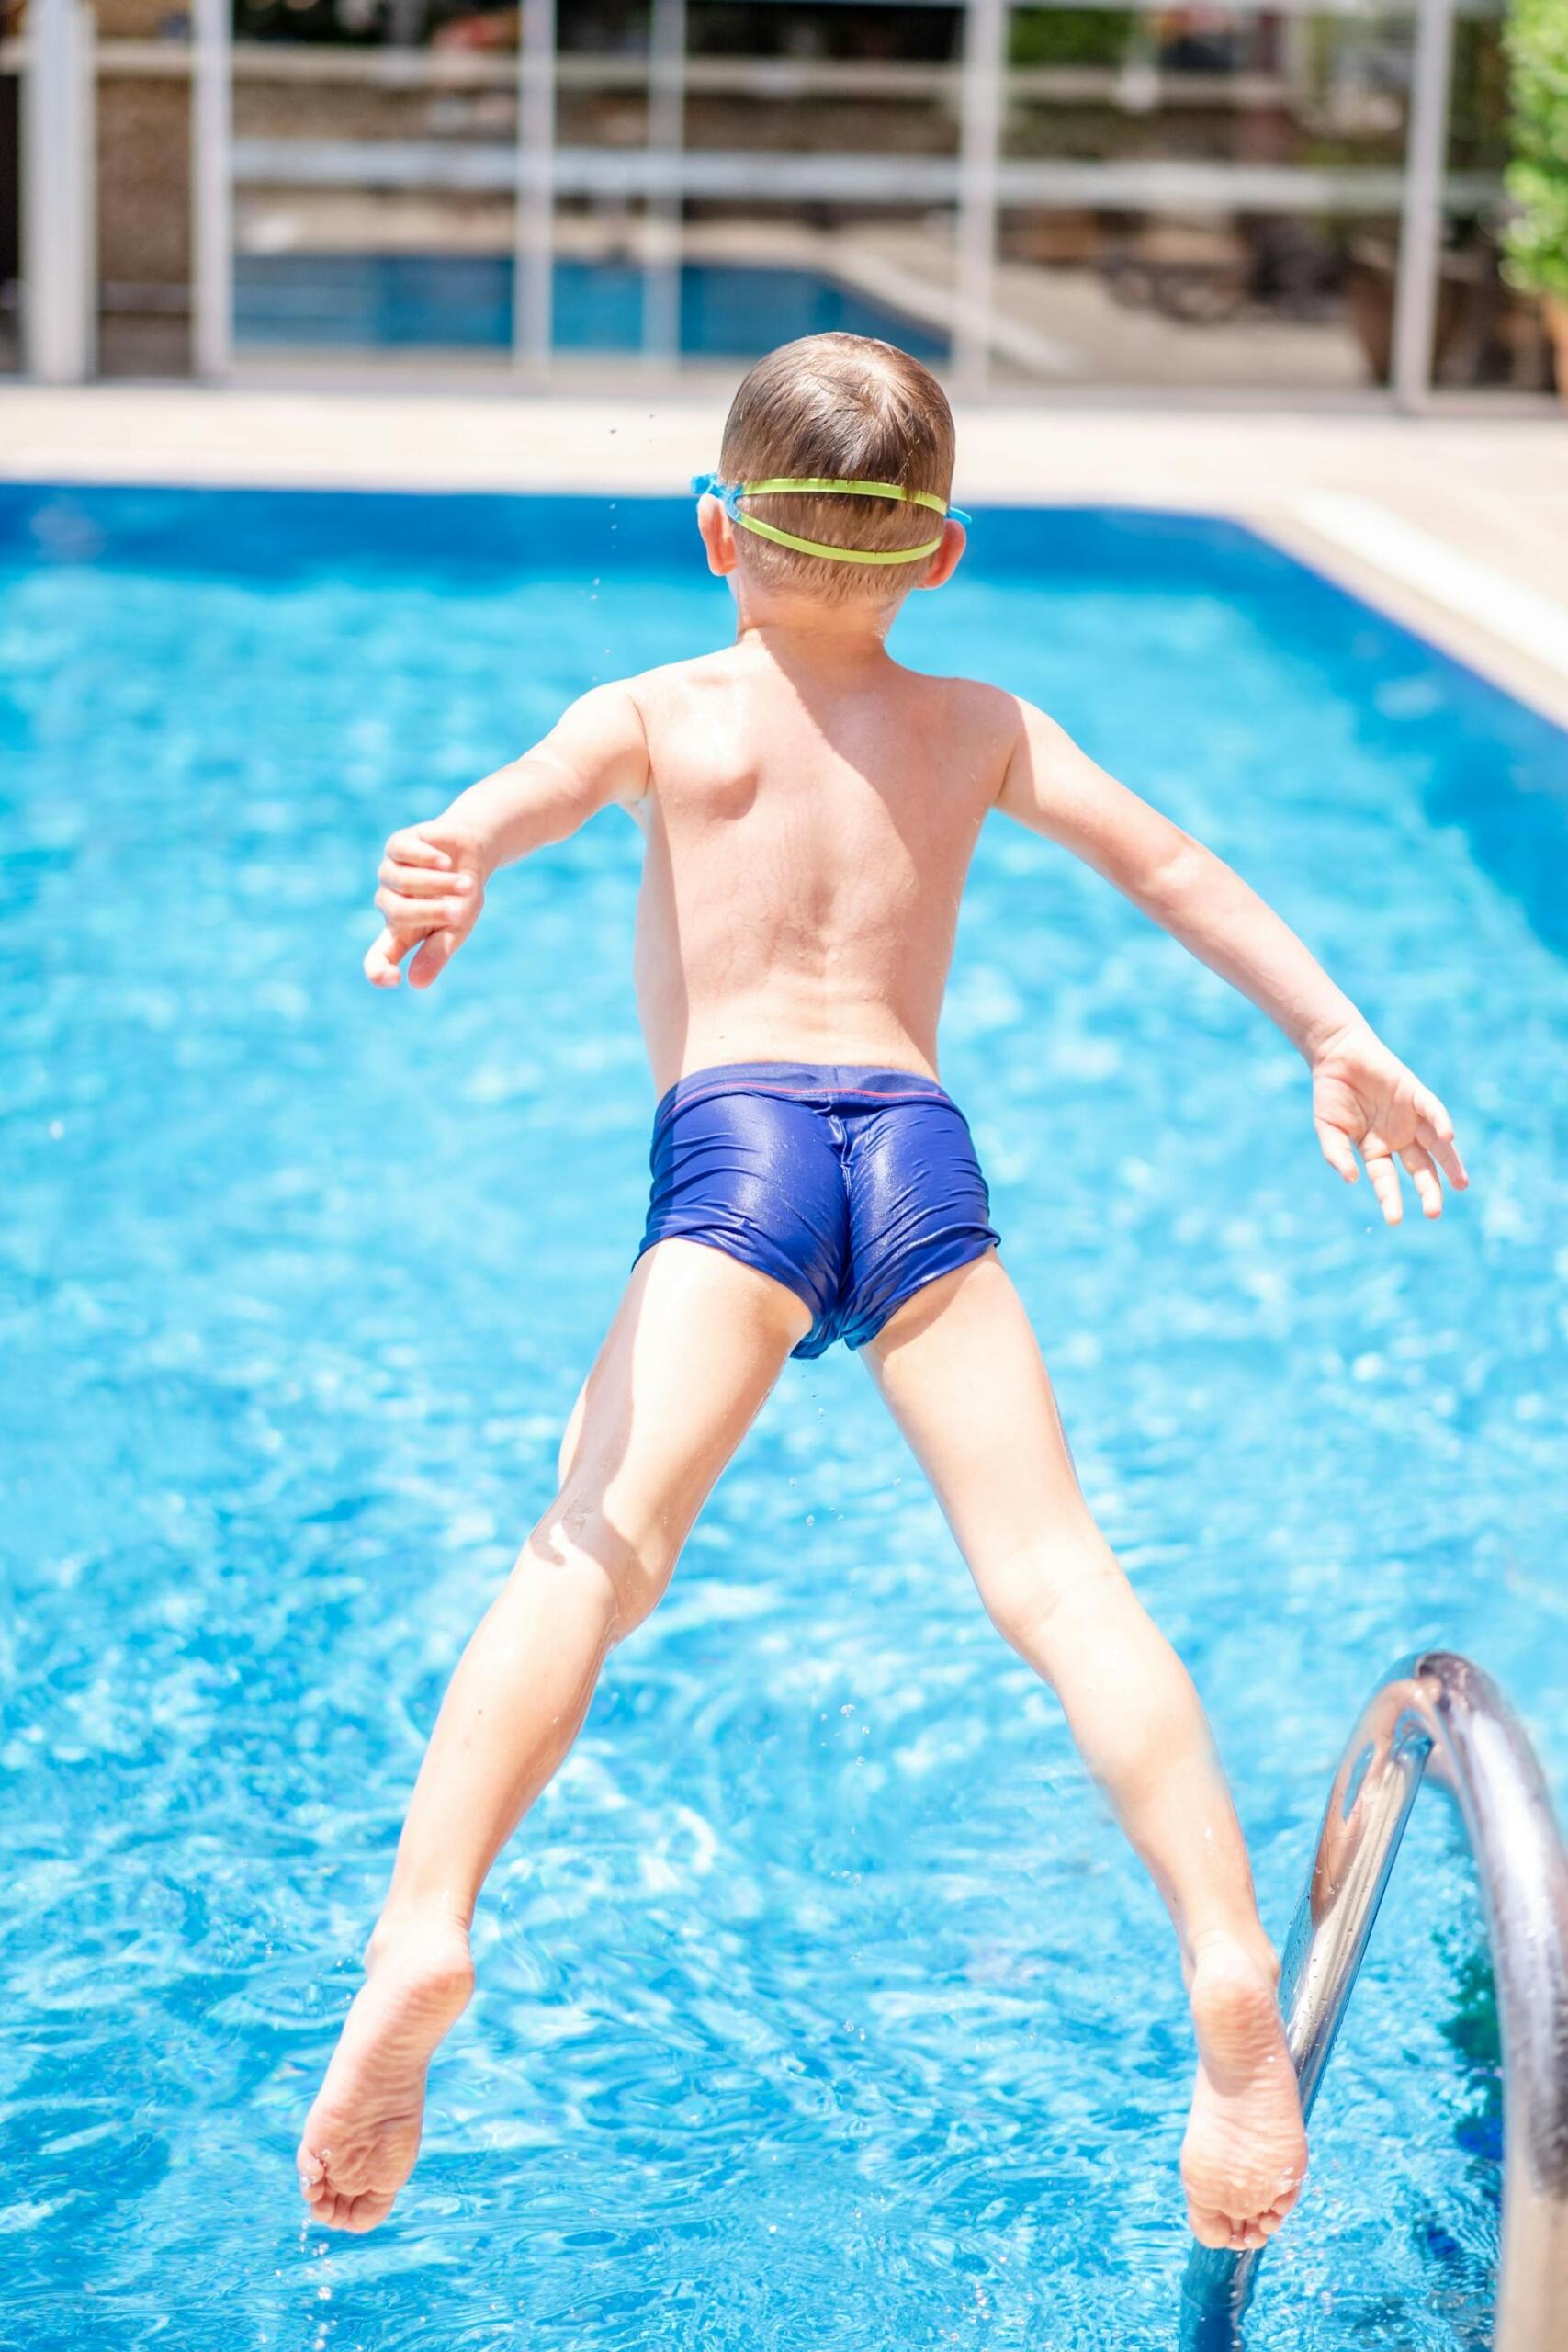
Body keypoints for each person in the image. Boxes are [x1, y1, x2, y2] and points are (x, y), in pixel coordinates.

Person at [297, 332, 1467, 2245]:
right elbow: (1173, 865)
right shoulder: (979, 722)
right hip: (915, 1150)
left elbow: (508, 804)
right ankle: (1224, 1958)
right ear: (939, 555)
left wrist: (451, 863)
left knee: (586, 1558)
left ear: (714, 530)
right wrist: (1333, 1031)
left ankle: (424, 1930)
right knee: (1061, 1581)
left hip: (735, 1157)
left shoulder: (658, 709)